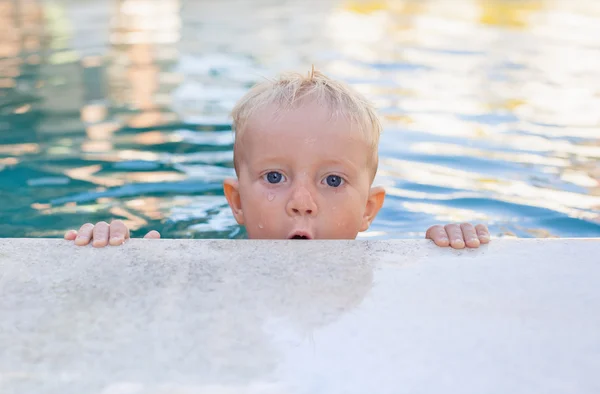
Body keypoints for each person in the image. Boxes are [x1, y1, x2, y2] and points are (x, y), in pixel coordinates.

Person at [65, 68, 490, 249]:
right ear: (236, 201)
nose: (301, 201)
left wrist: (450, 246)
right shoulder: (212, 269)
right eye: (273, 177)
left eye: (333, 181)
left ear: (368, 209)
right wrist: (120, 253)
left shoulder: (381, 271)